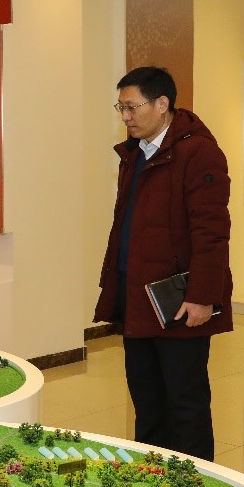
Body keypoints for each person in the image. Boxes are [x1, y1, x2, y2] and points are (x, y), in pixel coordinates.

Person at [95, 66, 231, 461]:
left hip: (178, 299)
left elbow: (211, 230)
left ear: (162, 104)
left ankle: (195, 483)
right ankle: (153, 479)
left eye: (132, 107)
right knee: (147, 401)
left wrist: (203, 296)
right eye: (120, 108)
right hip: (137, 296)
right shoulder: (134, 153)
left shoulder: (198, 152)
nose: (125, 116)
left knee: (185, 404)